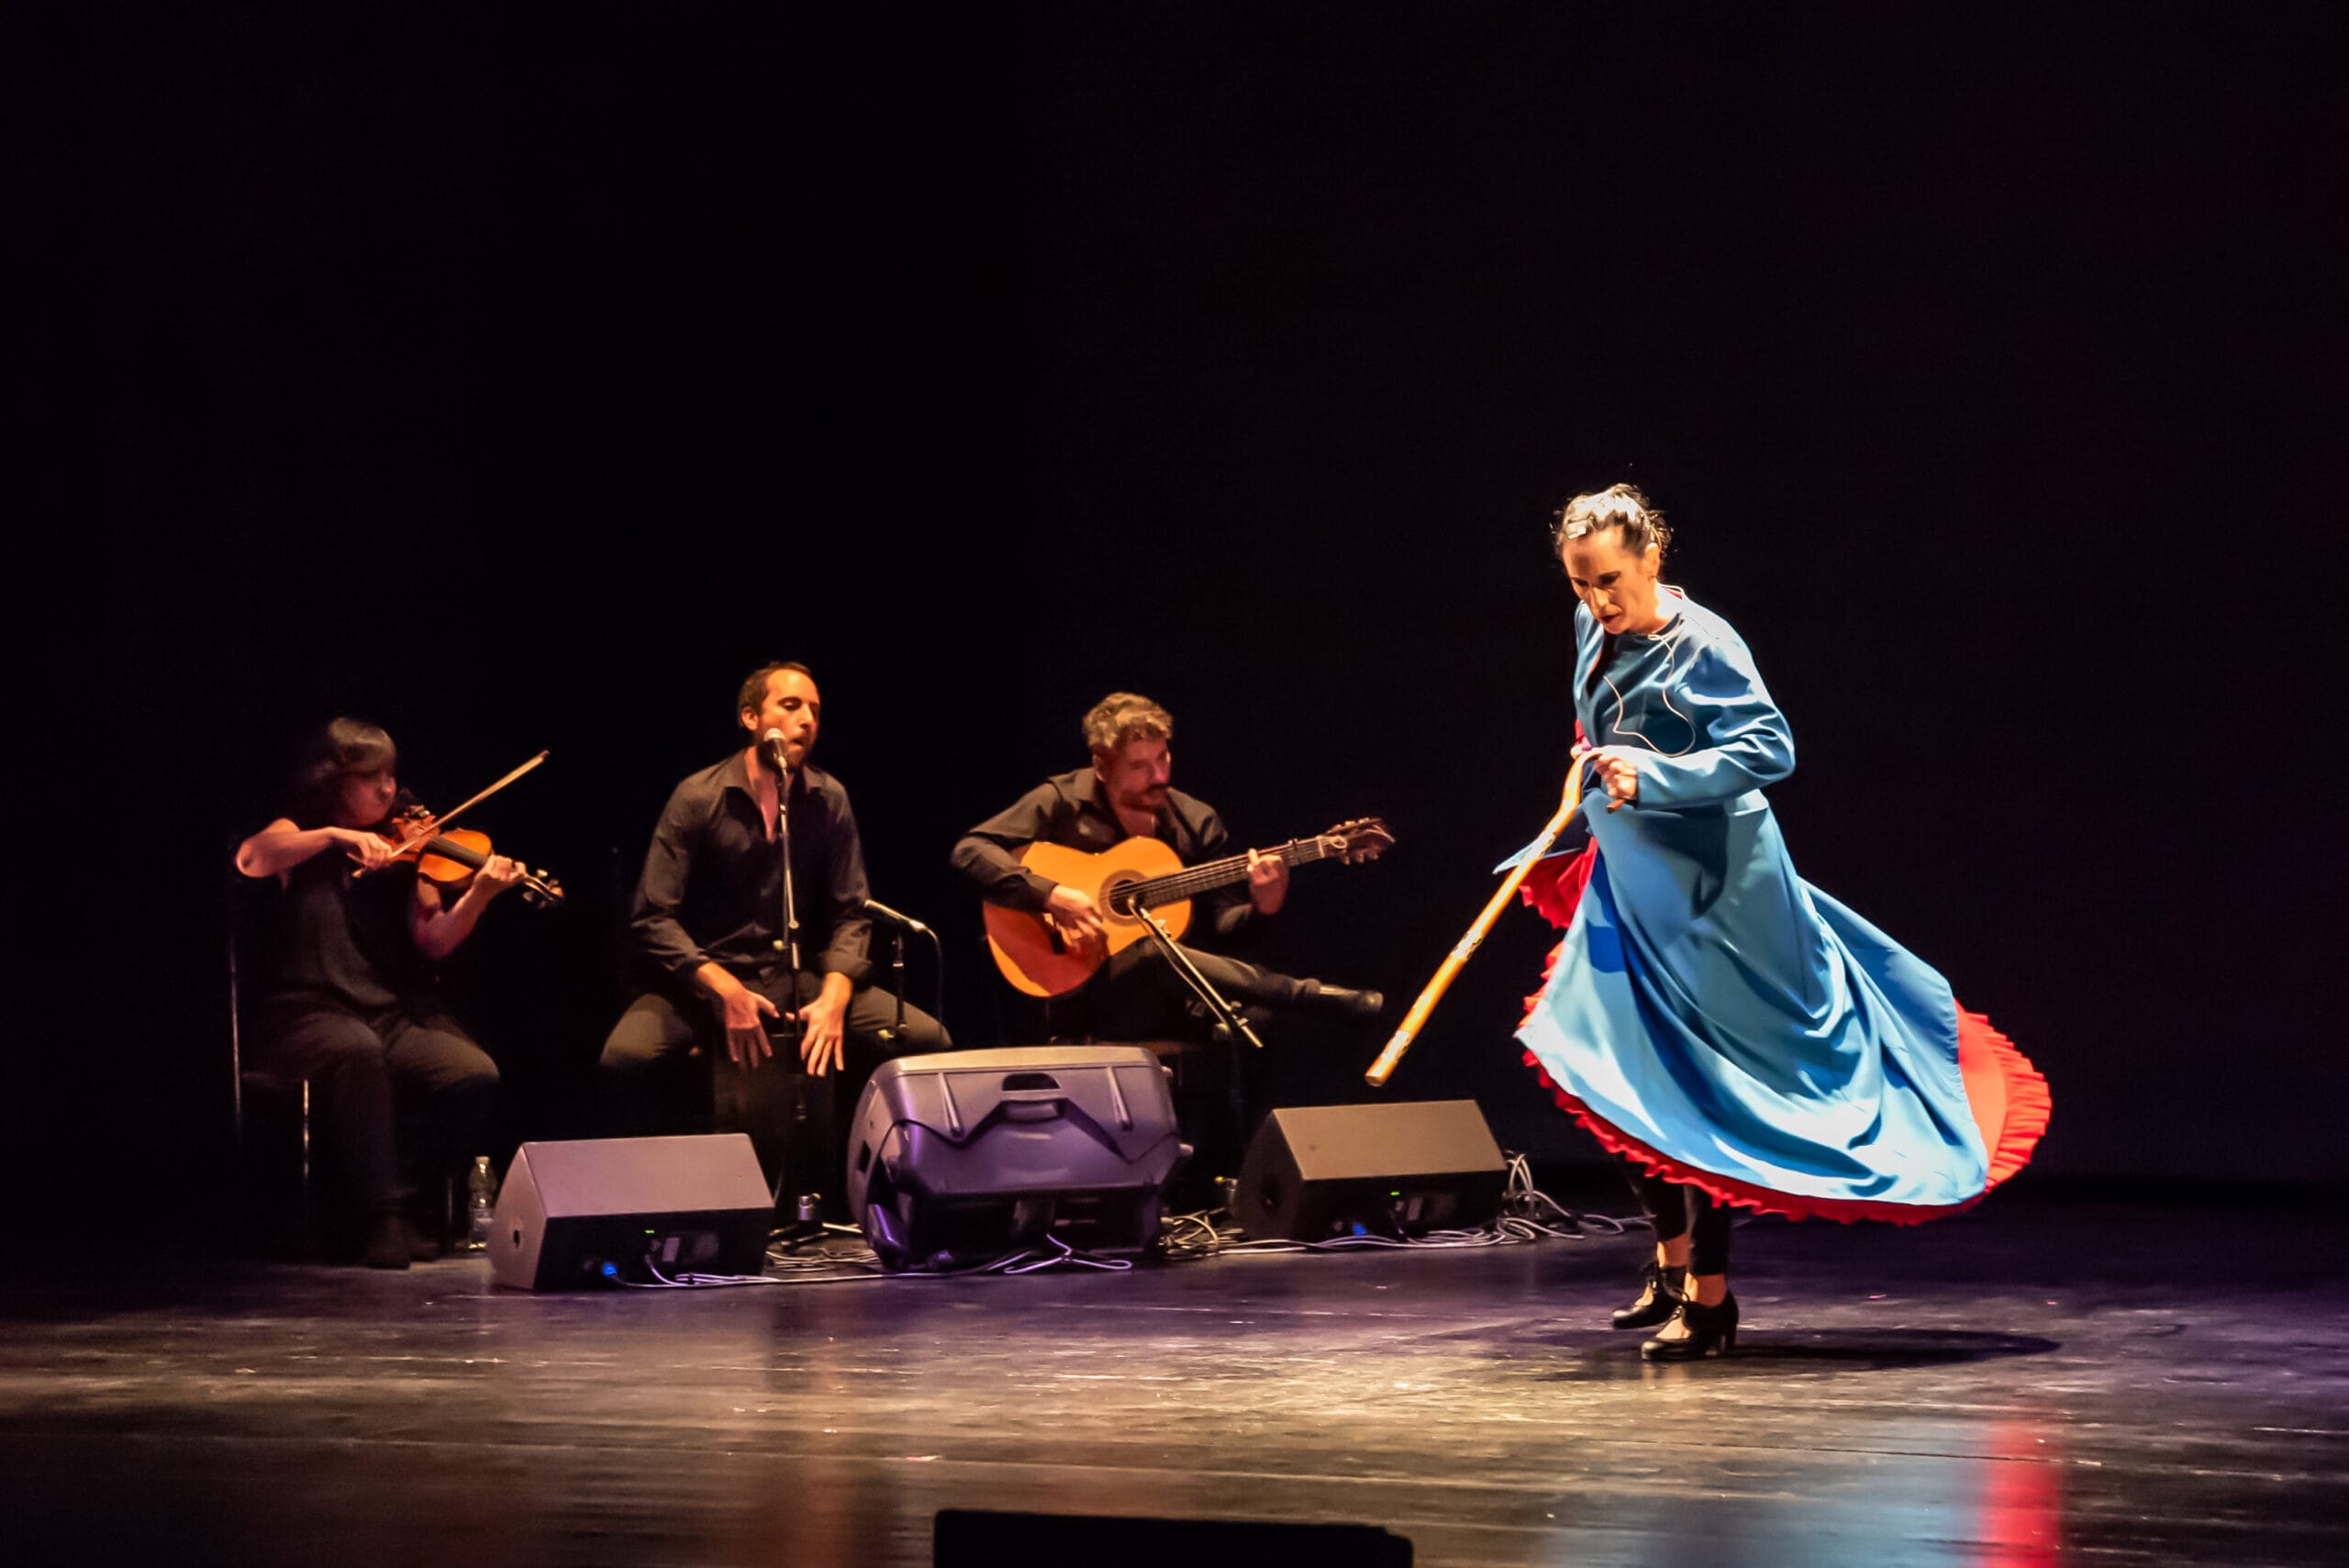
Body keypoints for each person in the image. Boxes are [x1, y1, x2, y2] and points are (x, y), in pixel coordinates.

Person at [1508, 484, 2049, 1360]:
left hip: (1718, 889)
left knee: (1707, 1084)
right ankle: (1670, 1261)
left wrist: (1655, 774)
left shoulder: (1706, 642)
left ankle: (1710, 1299)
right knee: (1609, 1061)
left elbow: (1770, 748)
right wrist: (1593, 770)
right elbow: (1602, 715)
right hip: (1635, 873)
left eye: (1609, 580)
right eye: (1580, 584)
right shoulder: (1592, 625)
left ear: (1651, 559)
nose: (1596, 600)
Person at [952, 693, 1383, 1178]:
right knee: (1152, 954)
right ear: (1101, 765)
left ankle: (1234, 1180)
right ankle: (1310, 995)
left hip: (1169, 999)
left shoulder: (1194, 821)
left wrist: (1264, 907)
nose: (1158, 776)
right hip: (1081, 994)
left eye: (1163, 758)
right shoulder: (1060, 801)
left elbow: (1224, 932)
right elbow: (971, 850)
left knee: (1254, 1021)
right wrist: (1051, 895)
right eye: (1139, 766)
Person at [600, 662, 949, 1201]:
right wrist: (723, 989)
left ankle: (878, 1197)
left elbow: (851, 912)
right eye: (790, 706)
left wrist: (834, 997)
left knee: (925, 1039)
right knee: (626, 1058)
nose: (806, 719)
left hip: (793, 975)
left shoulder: (828, 798)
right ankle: (649, 1204)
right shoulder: (698, 797)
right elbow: (652, 917)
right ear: (750, 718)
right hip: (705, 979)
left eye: (814, 711)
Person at [234, 718, 520, 1269]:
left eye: (391, 776)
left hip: (386, 1015)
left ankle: (406, 1200)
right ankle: (381, 1218)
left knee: (472, 1073)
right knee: (357, 1051)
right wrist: (336, 837)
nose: (389, 790)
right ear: (333, 781)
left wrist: (479, 896)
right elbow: (251, 858)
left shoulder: (407, 850)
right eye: (372, 779)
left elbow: (434, 941)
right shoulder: (304, 832)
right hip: (304, 1013)